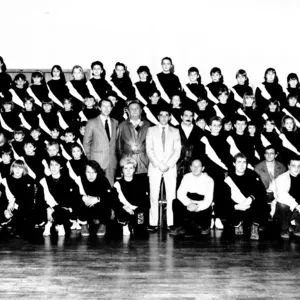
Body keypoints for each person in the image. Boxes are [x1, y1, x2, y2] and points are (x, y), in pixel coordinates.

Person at [146, 107, 181, 231]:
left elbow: (177, 151)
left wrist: (168, 165)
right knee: (153, 196)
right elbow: (149, 150)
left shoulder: (175, 131)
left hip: (170, 168)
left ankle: (171, 223)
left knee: (172, 196)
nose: (164, 117)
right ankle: (153, 222)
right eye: (161, 115)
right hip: (155, 167)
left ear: (170, 117)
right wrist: (158, 164)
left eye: (167, 115)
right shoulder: (150, 130)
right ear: (158, 116)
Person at [224, 153, 268, 240]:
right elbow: (224, 197)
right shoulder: (229, 178)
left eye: (244, 162)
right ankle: (237, 223)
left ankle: (255, 225)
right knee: (224, 204)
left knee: (262, 201)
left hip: (250, 206)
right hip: (236, 207)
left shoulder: (252, 174)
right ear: (234, 163)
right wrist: (237, 206)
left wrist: (251, 198)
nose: (242, 165)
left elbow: (261, 191)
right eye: (239, 162)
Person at [201, 116, 233, 230]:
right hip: (208, 170)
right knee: (208, 194)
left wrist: (227, 170)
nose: (216, 127)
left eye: (218, 125)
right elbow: (202, 156)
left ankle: (218, 217)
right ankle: (209, 217)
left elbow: (229, 157)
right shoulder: (205, 138)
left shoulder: (225, 138)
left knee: (220, 194)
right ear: (209, 126)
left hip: (221, 171)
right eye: (213, 125)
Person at [38, 156, 81, 236]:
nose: (53, 167)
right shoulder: (44, 181)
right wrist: (48, 208)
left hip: (62, 210)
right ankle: (50, 223)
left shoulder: (68, 181)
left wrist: (56, 208)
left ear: (61, 167)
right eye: (51, 165)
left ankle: (58, 225)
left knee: (60, 212)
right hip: (48, 210)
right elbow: (39, 199)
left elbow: (73, 198)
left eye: (56, 165)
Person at [170, 159, 214, 237]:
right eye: (194, 166)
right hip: (189, 204)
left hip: (201, 206)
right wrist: (189, 204)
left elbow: (208, 200)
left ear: (203, 168)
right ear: (190, 167)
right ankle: (179, 226)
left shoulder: (209, 180)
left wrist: (198, 207)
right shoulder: (186, 177)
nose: (196, 168)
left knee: (208, 207)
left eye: (198, 166)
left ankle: (204, 227)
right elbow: (180, 193)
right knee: (175, 202)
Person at [83, 99, 118, 186]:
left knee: (110, 187)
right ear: (99, 107)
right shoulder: (92, 122)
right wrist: (91, 159)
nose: (106, 109)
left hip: (111, 161)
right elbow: (86, 142)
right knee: (97, 187)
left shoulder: (115, 122)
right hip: (96, 161)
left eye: (109, 106)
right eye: (104, 106)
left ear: (112, 108)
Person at [112, 156, 149, 236]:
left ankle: (133, 225)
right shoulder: (118, 184)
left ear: (134, 169)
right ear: (122, 170)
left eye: (131, 168)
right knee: (121, 215)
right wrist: (125, 207)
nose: (128, 170)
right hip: (124, 210)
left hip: (137, 211)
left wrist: (135, 211)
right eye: (126, 168)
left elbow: (145, 201)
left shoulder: (140, 183)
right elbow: (114, 202)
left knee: (140, 232)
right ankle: (125, 224)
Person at [76, 160, 112, 236]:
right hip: (86, 207)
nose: (91, 175)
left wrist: (97, 199)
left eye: (94, 172)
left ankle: (103, 224)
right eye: (88, 172)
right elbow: (73, 195)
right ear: (84, 172)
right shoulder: (80, 179)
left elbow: (110, 197)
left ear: (97, 172)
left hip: (99, 207)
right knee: (78, 201)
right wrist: (83, 197)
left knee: (107, 202)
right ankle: (84, 224)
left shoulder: (103, 180)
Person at [1, 160, 35, 236]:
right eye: (15, 167)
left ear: (24, 169)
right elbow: (3, 198)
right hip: (8, 206)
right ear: (12, 168)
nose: (17, 170)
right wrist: (5, 210)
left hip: (22, 207)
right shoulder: (5, 180)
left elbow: (29, 199)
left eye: (20, 168)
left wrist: (15, 206)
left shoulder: (29, 180)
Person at [117, 101, 151, 176]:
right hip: (128, 164)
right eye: (132, 109)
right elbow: (119, 146)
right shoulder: (122, 126)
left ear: (141, 110)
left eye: (137, 108)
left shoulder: (148, 126)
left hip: (145, 164)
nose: (134, 110)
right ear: (128, 111)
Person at [177, 108, 206, 185]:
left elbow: (202, 152)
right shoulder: (174, 130)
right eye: (186, 116)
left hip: (194, 168)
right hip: (176, 168)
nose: (188, 118)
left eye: (191, 116)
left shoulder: (199, 132)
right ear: (181, 117)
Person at [275, 155, 300, 239]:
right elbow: (281, 195)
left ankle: (298, 226)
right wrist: (297, 205)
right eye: (293, 166)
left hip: (298, 211)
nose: (296, 168)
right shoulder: (281, 178)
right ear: (289, 166)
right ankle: (284, 228)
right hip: (286, 210)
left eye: (299, 166)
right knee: (282, 205)